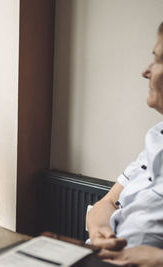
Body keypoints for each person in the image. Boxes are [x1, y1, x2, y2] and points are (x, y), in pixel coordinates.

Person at [86, 22, 163, 266]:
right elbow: (107, 202)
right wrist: (100, 233)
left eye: (158, 60)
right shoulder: (155, 138)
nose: (146, 71)